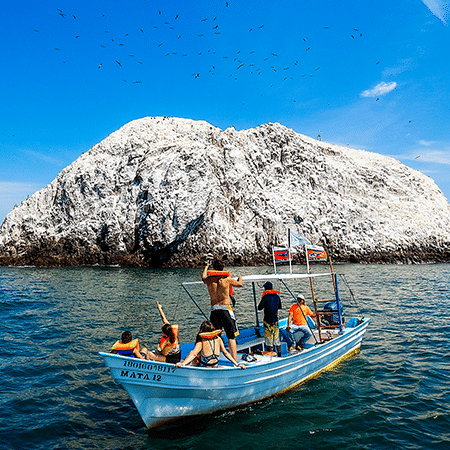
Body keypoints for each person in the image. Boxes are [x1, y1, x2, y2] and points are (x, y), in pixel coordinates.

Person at [202, 259, 243, 362]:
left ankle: (214, 359)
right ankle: (234, 360)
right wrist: (240, 278)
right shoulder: (227, 279)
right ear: (222, 268)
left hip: (214, 310)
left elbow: (203, 277)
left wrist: (206, 266)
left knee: (215, 336)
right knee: (231, 336)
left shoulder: (209, 280)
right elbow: (239, 284)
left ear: (214, 268)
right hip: (225, 309)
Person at [176, 320, 245, 369]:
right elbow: (225, 352)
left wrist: (183, 364)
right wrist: (236, 364)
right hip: (215, 366)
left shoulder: (202, 341)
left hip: (204, 368)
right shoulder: (218, 339)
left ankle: (190, 368)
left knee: (194, 353)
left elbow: (193, 353)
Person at [258, 281, 282, 357]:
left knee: (269, 342)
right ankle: (280, 355)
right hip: (275, 320)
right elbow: (279, 307)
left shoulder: (265, 297)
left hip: (267, 321)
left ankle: (271, 357)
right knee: (277, 340)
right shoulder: (277, 297)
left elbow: (259, 308)